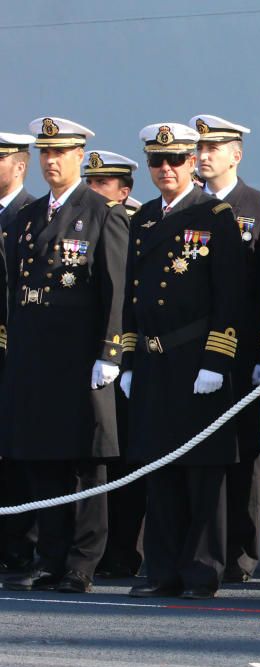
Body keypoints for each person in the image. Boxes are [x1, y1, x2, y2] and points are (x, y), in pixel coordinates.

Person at [1, 117, 129, 594]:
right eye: (45, 154)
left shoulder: (102, 212)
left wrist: (110, 350)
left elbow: (114, 289)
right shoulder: (28, 216)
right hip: (35, 355)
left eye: (61, 153)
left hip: (81, 356)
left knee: (85, 461)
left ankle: (82, 561)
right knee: (42, 459)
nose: (52, 161)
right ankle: (51, 557)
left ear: (79, 156)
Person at [122, 122, 244, 600]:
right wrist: (129, 360)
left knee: (202, 470)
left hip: (197, 359)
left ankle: (201, 571)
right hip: (154, 361)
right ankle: (162, 571)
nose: (166, 169)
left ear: (193, 162)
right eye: (157, 161)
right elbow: (133, 296)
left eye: (175, 160)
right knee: (160, 468)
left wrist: (217, 359)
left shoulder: (215, 215)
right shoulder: (144, 218)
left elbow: (229, 295)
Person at [191, 114, 260, 584]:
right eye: (200, 148)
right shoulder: (187, 208)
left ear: (236, 154)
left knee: (243, 451)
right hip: (192, 354)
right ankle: (201, 547)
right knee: (197, 450)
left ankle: (241, 551)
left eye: (214, 148)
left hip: (243, 352)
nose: (204, 156)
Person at [82, 150, 146, 580]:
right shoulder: (81, 224)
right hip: (92, 360)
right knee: (96, 455)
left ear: (123, 191)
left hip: (128, 356)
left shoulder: (134, 222)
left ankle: (124, 549)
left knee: (125, 458)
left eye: (102, 184)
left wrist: (121, 354)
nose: (92, 190)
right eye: (90, 181)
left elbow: (129, 297)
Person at [0, 132, 37, 575]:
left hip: (19, 349)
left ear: (19, 165)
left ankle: (20, 545)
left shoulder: (29, 215)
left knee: (17, 452)